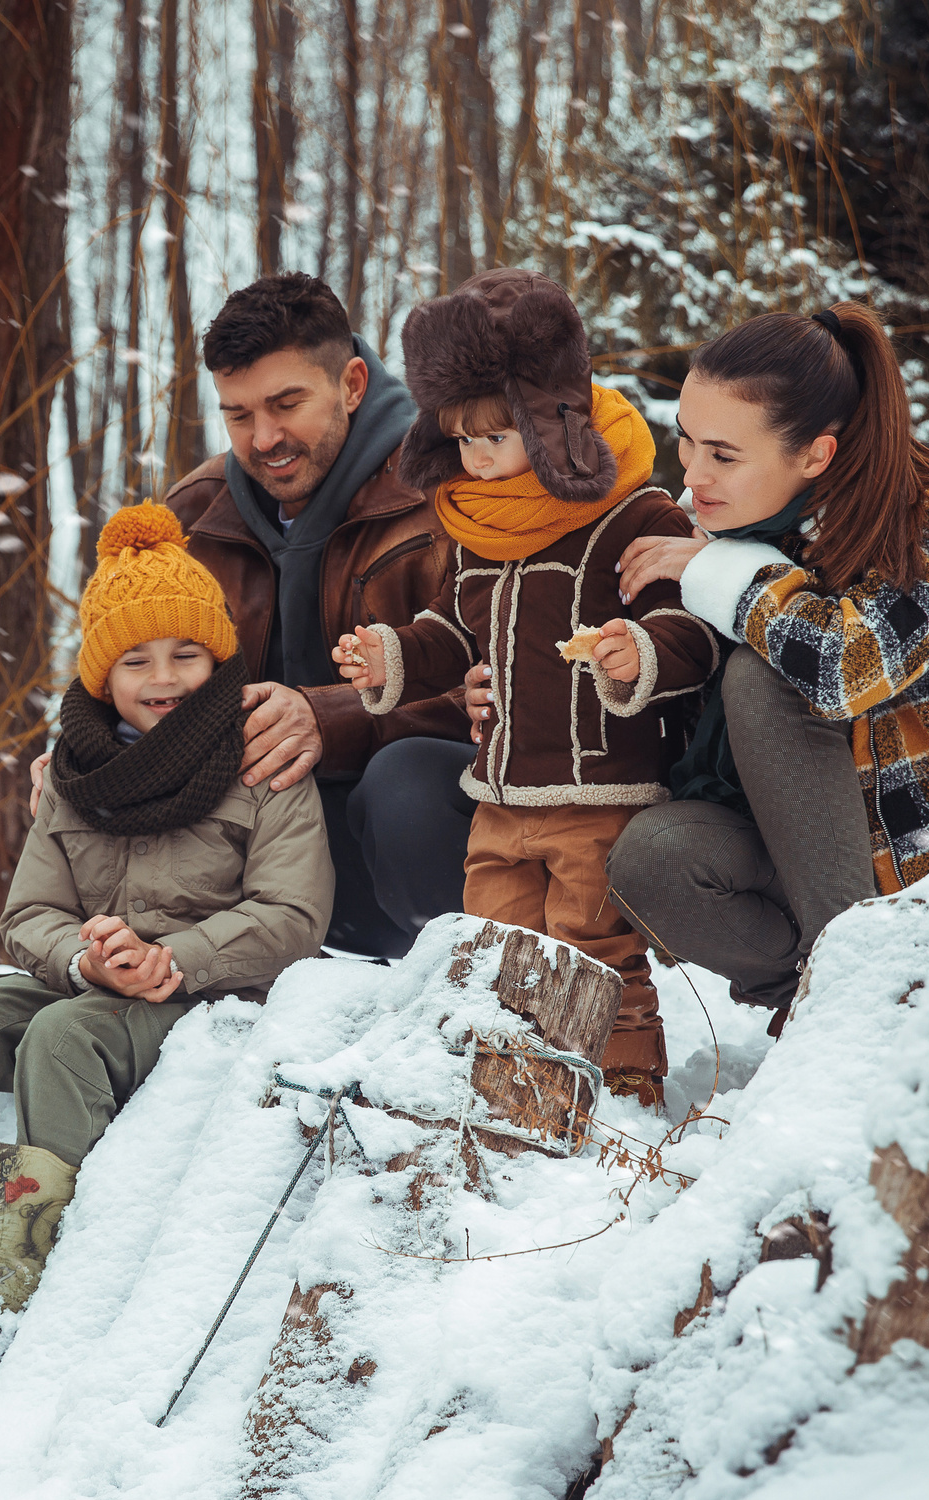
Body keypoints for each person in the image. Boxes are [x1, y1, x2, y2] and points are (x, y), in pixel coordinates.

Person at [0, 503, 333, 1360]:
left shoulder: (259, 764)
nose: (165, 676)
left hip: (209, 994)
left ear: (218, 658)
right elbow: (28, 915)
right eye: (137, 659)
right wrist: (84, 958)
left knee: (60, 1035)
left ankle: (18, 1271)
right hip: (95, 981)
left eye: (187, 654)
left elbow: (293, 913)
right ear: (102, 675)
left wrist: (172, 958)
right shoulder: (76, 775)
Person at [603, 303, 929, 1028]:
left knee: (768, 677)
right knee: (655, 862)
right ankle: (823, 989)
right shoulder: (721, 526)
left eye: (722, 455)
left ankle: (855, 1009)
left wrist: (729, 572)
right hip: (813, 861)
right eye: (686, 442)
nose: (691, 477)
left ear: (816, 455)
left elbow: (846, 665)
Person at [331, 269, 713, 1105]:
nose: (475, 460)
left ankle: (622, 1094)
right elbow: (450, 629)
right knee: (500, 943)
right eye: (461, 440)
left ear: (550, 427)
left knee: (592, 944)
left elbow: (689, 633)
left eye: (495, 438)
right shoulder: (475, 528)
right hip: (502, 791)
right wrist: (389, 658)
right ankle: (513, 1091)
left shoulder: (634, 516)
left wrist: (636, 652)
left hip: (599, 788)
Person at [166, 272, 472, 958]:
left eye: (286, 403)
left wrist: (329, 718)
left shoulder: (454, 489)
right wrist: (80, 753)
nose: (263, 437)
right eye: (238, 414)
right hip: (268, 827)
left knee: (406, 791)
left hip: (420, 827)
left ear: (353, 384)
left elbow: (507, 689)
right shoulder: (195, 514)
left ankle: (457, 981)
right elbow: (128, 673)